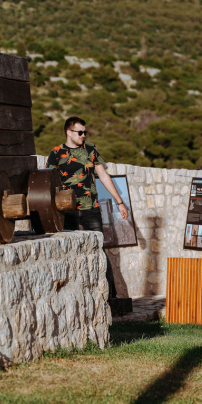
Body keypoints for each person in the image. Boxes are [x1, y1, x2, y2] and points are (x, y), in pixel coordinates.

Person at [47, 116, 129, 300]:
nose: (83, 135)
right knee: (67, 251)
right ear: (69, 132)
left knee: (99, 250)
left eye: (85, 132)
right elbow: (48, 181)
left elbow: (103, 176)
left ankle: (111, 298)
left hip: (91, 208)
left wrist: (119, 202)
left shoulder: (90, 149)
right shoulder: (56, 153)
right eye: (80, 132)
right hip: (66, 210)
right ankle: (72, 296)